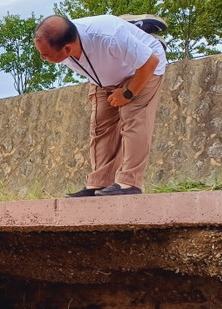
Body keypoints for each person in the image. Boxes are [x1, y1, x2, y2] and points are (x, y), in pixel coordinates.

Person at [34, 14, 167, 197]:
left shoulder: (109, 35)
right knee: (100, 124)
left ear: (67, 48)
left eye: (46, 54)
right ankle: (100, 183)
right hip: (104, 77)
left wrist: (127, 93)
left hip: (142, 68)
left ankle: (129, 183)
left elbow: (150, 63)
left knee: (133, 118)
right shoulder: (63, 41)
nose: (42, 57)